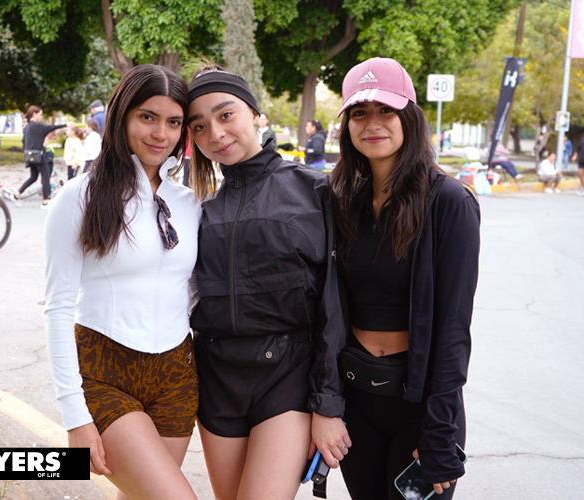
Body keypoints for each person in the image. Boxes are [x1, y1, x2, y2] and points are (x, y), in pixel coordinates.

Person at [186, 66, 349, 500]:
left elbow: (336, 305)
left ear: (256, 114)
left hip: (288, 376)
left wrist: (328, 403)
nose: (215, 133)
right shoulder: (199, 211)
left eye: (225, 115)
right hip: (217, 379)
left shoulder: (315, 191)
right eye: (198, 126)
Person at [44, 64, 201, 500]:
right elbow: (57, 308)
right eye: (147, 117)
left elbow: (191, 292)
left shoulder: (188, 203)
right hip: (103, 372)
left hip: (175, 377)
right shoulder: (79, 196)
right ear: (122, 116)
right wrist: (75, 416)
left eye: (174, 122)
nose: (161, 134)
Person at [329, 57, 480, 500]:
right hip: (358, 400)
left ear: (409, 117)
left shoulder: (449, 202)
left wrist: (439, 430)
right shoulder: (339, 200)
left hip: (420, 406)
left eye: (386, 111)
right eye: (360, 112)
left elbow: (454, 328)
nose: (373, 123)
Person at [14, 106, 66, 208]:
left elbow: (24, 141)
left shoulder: (27, 127)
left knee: (33, 177)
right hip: (39, 156)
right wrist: (66, 125)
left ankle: (18, 194)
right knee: (46, 176)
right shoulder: (37, 126)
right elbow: (50, 128)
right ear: (34, 114)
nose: (41, 117)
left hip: (30, 155)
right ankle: (45, 200)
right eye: (40, 114)